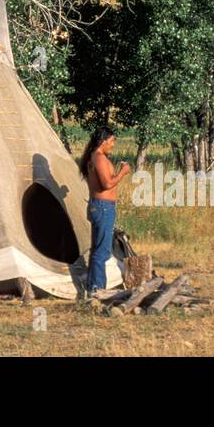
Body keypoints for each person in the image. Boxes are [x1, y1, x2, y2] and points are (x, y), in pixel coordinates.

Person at [79, 126, 131, 300]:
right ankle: (98, 288)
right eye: (111, 141)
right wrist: (123, 173)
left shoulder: (94, 157)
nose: (113, 145)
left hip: (98, 206)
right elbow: (107, 184)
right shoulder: (99, 158)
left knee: (97, 249)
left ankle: (92, 286)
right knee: (102, 251)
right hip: (103, 207)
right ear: (103, 140)